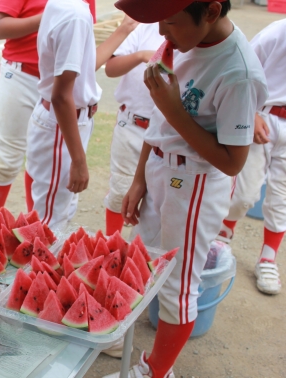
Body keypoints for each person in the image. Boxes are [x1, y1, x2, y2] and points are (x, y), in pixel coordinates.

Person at [109, 0, 268, 376]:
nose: (162, 33)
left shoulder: (239, 73)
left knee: (176, 287)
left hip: (195, 184)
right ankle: (134, 353)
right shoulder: (184, 40)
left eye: (169, 22)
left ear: (211, 11)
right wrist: (140, 176)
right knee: (140, 264)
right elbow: (161, 125)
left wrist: (173, 108)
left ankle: (157, 372)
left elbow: (232, 162)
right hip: (161, 169)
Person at [24, 0, 137, 230]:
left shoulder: (68, 5)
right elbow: (61, 96)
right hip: (62, 124)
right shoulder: (74, 14)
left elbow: (84, 67)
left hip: (66, 122)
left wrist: (124, 29)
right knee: (48, 225)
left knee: (61, 213)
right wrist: (79, 161)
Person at [0, 0, 96, 213]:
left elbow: (82, 40)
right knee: (6, 159)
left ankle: (34, 226)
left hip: (60, 82)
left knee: (42, 164)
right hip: (21, 75)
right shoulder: (68, 10)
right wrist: (53, 16)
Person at [217, 19, 286, 295]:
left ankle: (268, 257)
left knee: (281, 196)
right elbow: (242, 68)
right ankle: (224, 232)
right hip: (265, 116)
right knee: (245, 193)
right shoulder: (277, 32)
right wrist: (253, 111)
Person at [103, 23, 164, 236]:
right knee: (121, 191)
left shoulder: (193, 29)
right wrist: (141, 56)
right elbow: (110, 69)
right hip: (132, 125)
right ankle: (111, 246)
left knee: (157, 200)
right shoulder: (144, 26)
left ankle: (140, 253)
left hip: (167, 131)